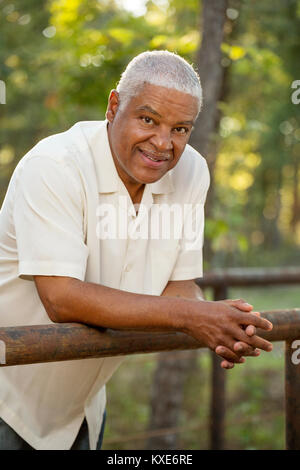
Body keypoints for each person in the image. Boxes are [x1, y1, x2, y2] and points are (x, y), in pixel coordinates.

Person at [0, 50, 273, 450]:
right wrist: (192, 315)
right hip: (8, 403)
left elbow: (179, 289)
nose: (163, 143)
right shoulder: (55, 165)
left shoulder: (192, 172)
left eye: (181, 129)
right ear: (114, 107)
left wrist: (222, 326)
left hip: (83, 410)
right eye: (148, 120)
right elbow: (61, 298)